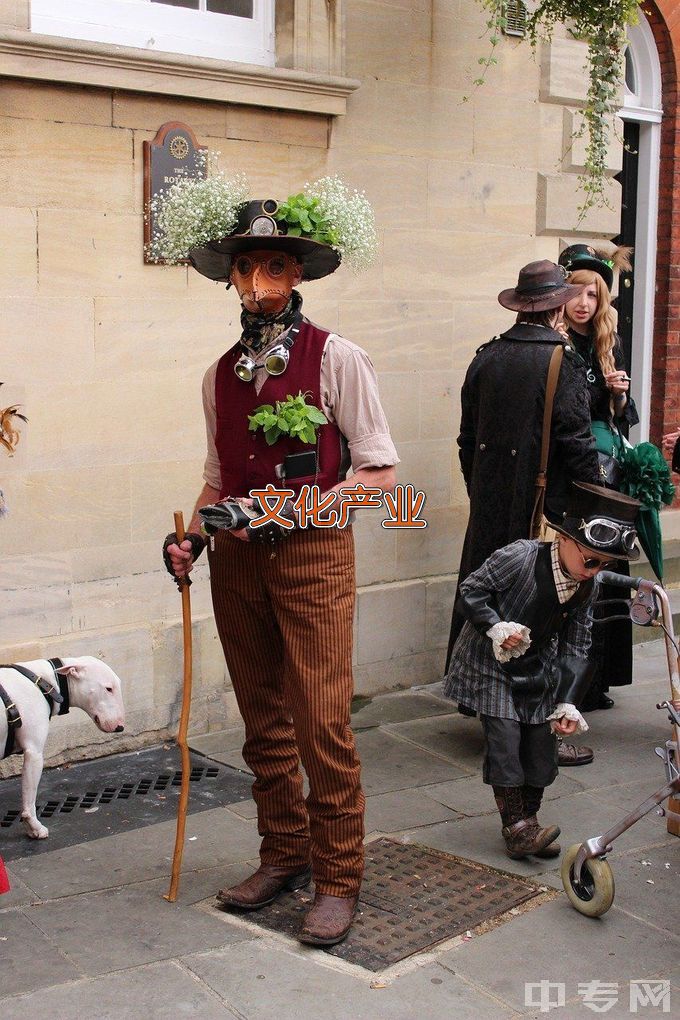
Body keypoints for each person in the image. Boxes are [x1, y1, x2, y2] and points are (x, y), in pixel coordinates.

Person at [162, 192, 398, 946]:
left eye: (275, 264)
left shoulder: (336, 357)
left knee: (321, 722)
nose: (260, 279)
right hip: (236, 567)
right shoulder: (215, 375)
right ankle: (283, 855)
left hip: (313, 562)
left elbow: (381, 476)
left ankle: (338, 878)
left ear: (296, 272)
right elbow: (216, 477)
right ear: (231, 278)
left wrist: (287, 514)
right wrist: (192, 539)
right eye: (247, 266)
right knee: (261, 722)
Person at [446, 260, 601, 767]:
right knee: (543, 613)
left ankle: (484, 705)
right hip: (543, 511)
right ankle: (538, 728)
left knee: (488, 600)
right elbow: (577, 444)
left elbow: (467, 440)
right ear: (556, 305)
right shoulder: (564, 360)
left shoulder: (486, 356)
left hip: (491, 504)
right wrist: (592, 508)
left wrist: (483, 491)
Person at [444, 482, 641, 859]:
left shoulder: (589, 586)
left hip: (537, 668)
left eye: (605, 565)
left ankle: (531, 822)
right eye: (590, 560)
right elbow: (471, 590)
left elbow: (578, 645)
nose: (594, 571)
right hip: (489, 662)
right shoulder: (519, 557)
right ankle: (516, 828)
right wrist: (495, 625)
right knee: (504, 738)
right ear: (563, 538)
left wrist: (568, 703)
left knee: (540, 742)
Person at [559, 244, 638, 711]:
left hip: (607, 474)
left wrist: (620, 398)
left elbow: (621, 421)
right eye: (576, 290)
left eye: (593, 292)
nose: (584, 301)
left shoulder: (609, 341)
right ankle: (571, 684)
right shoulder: (557, 342)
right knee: (576, 567)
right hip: (576, 474)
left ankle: (598, 679)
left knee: (606, 565)